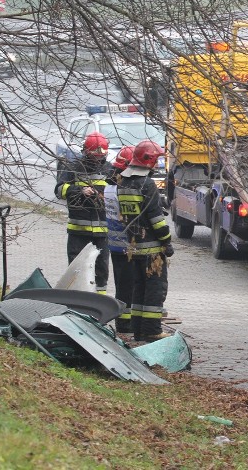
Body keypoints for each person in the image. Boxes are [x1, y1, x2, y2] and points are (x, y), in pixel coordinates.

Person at [118, 139, 175, 342]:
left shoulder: (123, 182)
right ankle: (151, 330)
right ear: (148, 159)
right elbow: (156, 220)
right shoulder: (147, 184)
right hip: (152, 250)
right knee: (155, 289)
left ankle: (139, 329)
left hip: (134, 247)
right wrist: (167, 241)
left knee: (139, 288)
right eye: (156, 159)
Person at [55, 131, 112, 294]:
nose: (99, 159)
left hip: (102, 231)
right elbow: (59, 190)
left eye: (101, 156)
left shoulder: (109, 169)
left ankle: (100, 301)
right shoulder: (73, 168)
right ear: (86, 152)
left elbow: (117, 191)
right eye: (95, 156)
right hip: (78, 232)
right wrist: (79, 190)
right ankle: (77, 300)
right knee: (76, 268)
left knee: (101, 270)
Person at [104, 145, 135, 333]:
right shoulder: (123, 191)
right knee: (129, 287)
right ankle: (125, 324)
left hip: (115, 245)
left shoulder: (109, 187)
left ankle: (123, 322)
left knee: (121, 286)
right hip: (128, 246)